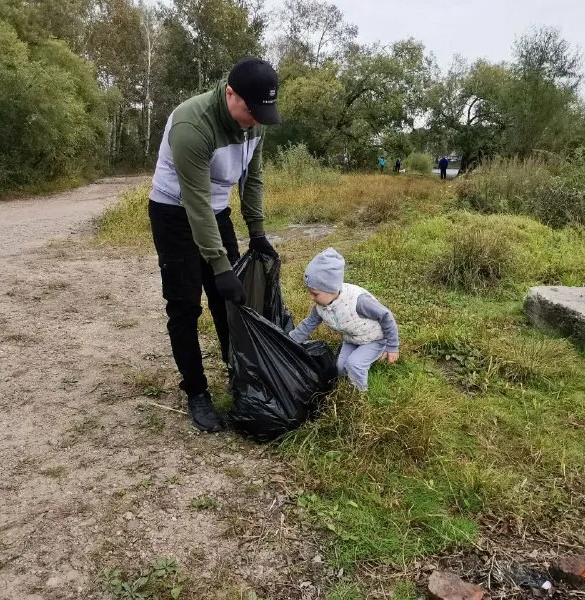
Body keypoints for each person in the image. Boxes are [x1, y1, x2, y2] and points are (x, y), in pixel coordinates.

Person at [148, 57, 281, 433]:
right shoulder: (193, 125)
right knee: (185, 304)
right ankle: (196, 392)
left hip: (216, 212)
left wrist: (256, 231)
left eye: (261, 112)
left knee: (232, 300)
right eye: (249, 109)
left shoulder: (255, 123)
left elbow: (252, 178)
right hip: (175, 212)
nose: (254, 118)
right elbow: (195, 201)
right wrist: (219, 267)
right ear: (229, 93)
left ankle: (239, 373)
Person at [289, 248, 399, 392]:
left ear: (331, 289)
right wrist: (289, 341)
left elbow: (386, 316)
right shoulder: (320, 306)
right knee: (340, 366)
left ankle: (359, 395)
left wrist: (392, 346)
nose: (311, 298)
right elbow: (308, 324)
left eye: (315, 294)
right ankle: (343, 387)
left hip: (375, 339)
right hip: (352, 339)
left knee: (354, 364)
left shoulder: (359, 302)